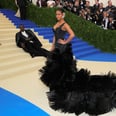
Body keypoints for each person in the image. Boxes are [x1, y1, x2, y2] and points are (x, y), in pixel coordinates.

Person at [39, 8, 116, 116]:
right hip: (56, 48)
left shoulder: (65, 25)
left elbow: (72, 35)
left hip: (63, 48)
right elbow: (54, 36)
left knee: (64, 70)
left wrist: (65, 41)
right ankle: (58, 82)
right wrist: (52, 46)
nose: (57, 16)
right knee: (55, 68)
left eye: (59, 14)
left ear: (63, 15)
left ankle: (64, 83)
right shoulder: (56, 24)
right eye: (56, 14)